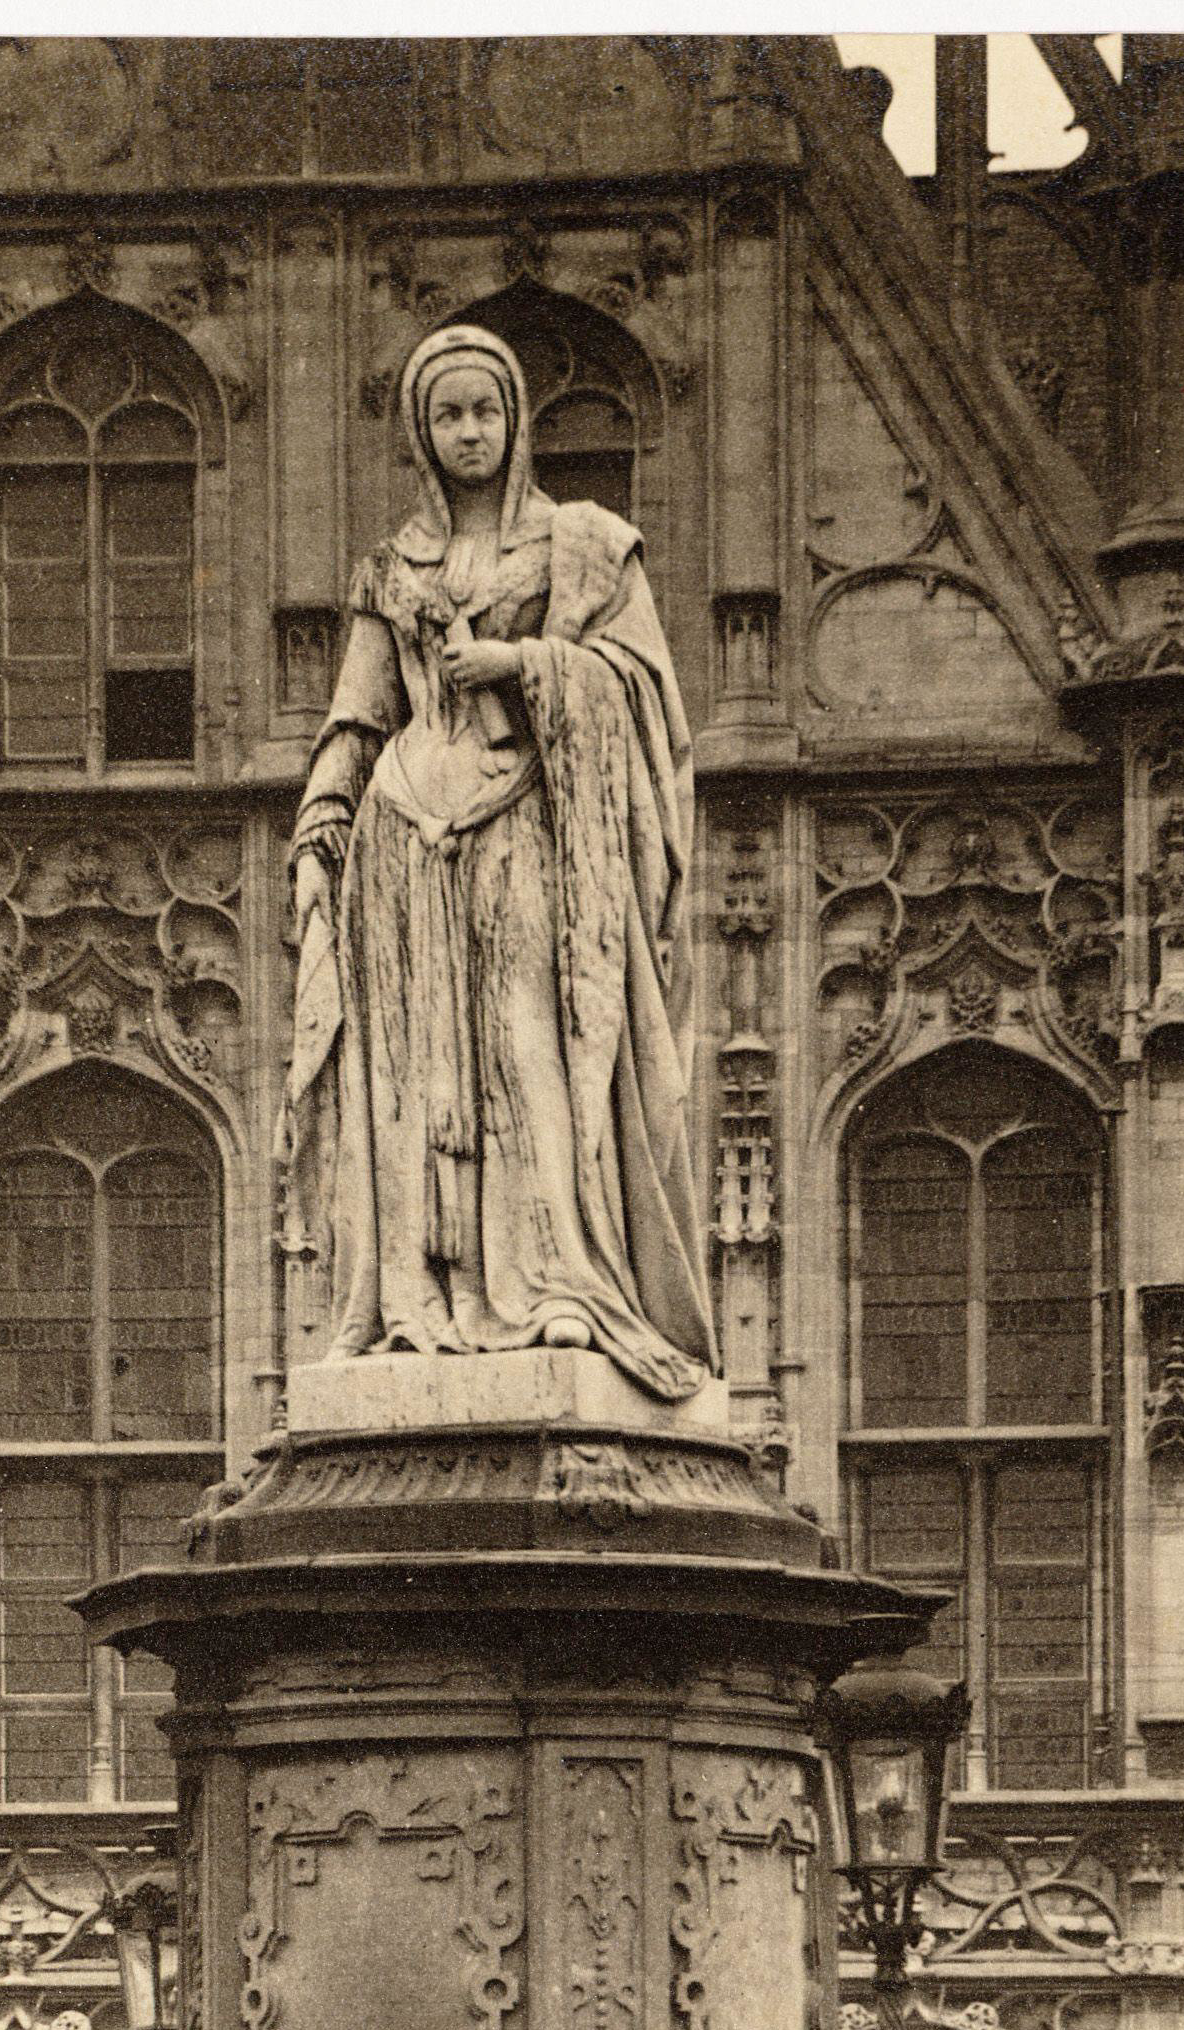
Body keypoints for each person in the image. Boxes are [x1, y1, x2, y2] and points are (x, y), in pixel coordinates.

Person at [283, 322, 717, 1402]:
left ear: (515, 419)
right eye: (446, 415)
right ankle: (410, 1301)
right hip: (402, 847)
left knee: (528, 1054)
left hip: (527, 828)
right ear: (419, 433)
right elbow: (358, 713)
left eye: (483, 410)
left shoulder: (580, 546)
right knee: (415, 1074)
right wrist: (314, 832)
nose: (467, 431)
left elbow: (640, 688)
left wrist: (520, 661)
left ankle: (554, 1284)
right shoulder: (390, 568)